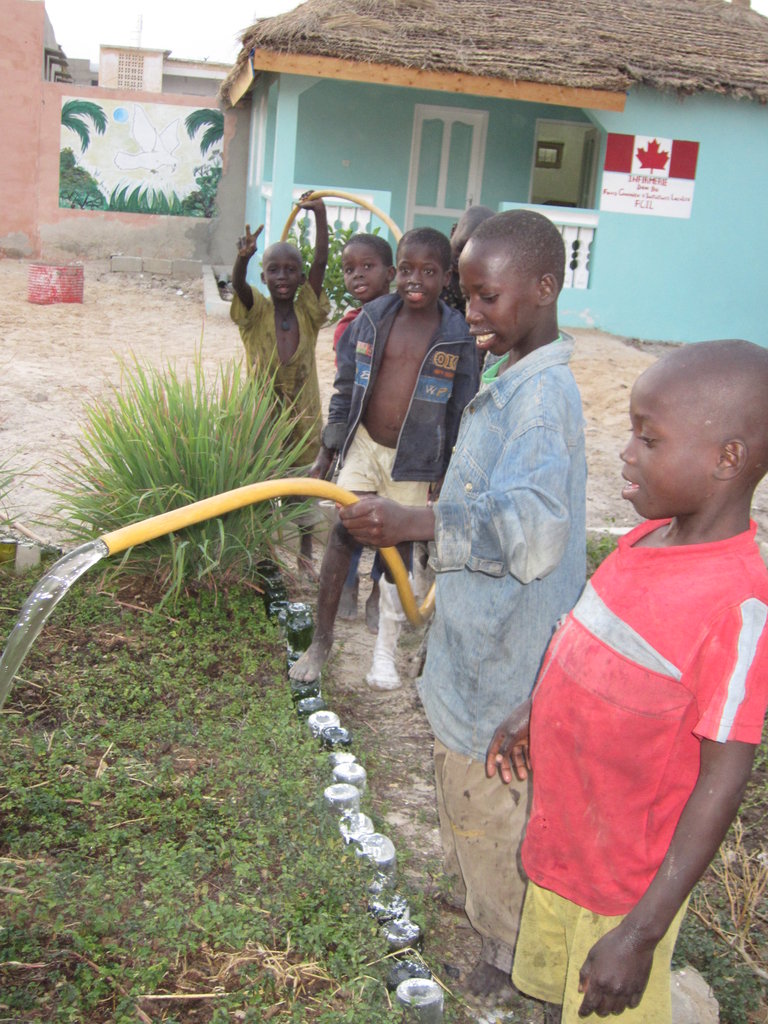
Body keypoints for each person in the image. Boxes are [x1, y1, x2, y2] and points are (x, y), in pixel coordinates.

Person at [336, 210, 586, 998]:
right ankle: (485, 902)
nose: (471, 313)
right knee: (464, 790)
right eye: (468, 295)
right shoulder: (515, 373)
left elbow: (534, 533)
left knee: (492, 799)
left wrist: (418, 520)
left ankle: (511, 956)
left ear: (545, 290)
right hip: (478, 642)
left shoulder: (541, 404)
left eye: (487, 297)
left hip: (506, 661)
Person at [486, 338, 768, 1023]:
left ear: (726, 460)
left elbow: (723, 780)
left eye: (648, 438)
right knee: (561, 998)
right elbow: (582, 643)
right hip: (563, 846)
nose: (626, 452)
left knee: (603, 996)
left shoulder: (737, 606)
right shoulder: (643, 542)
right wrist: (532, 710)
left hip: (621, 890)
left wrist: (640, 934)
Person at [289, 226, 479, 689]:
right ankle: (322, 640)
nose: (416, 280)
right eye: (408, 269)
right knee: (344, 532)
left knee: (400, 550)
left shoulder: (457, 337)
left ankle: (384, 654)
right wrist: (328, 449)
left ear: (446, 276)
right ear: (396, 270)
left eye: (428, 272)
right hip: (365, 446)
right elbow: (345, 389)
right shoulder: (371, 319)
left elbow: (462, 411)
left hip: (415, 460)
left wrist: (447, 474)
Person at [230, 196, 329, 578]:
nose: (283, 277)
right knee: (262, 482)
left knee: (304, 486)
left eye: (291, 271)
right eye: (274, 270)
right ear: (264, 277)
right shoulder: (255, 311)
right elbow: (238, 284)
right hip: (263, 415)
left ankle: (305, 554)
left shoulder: (308, 310)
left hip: (304, 415)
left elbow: (321, 262)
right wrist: (244, 258)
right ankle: (264, 552)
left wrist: (319, 215)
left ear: (302, 279)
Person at [332, 233, 396, 629]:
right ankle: (348, 583)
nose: (357, 276)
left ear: (390, 273)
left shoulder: (411, 320)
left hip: (401, 446)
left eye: (367, 267)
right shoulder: (348, 328)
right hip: (361, 438)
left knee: (393, 523)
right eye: (349, 269)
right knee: (352, 514)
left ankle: (378, 591)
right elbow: (345, 382)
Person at [441, 204, 495, 314]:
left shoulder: (493, 290)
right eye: (461, 248)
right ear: (453, 232)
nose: (463, 260)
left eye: (476, 255)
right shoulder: (429, 274)